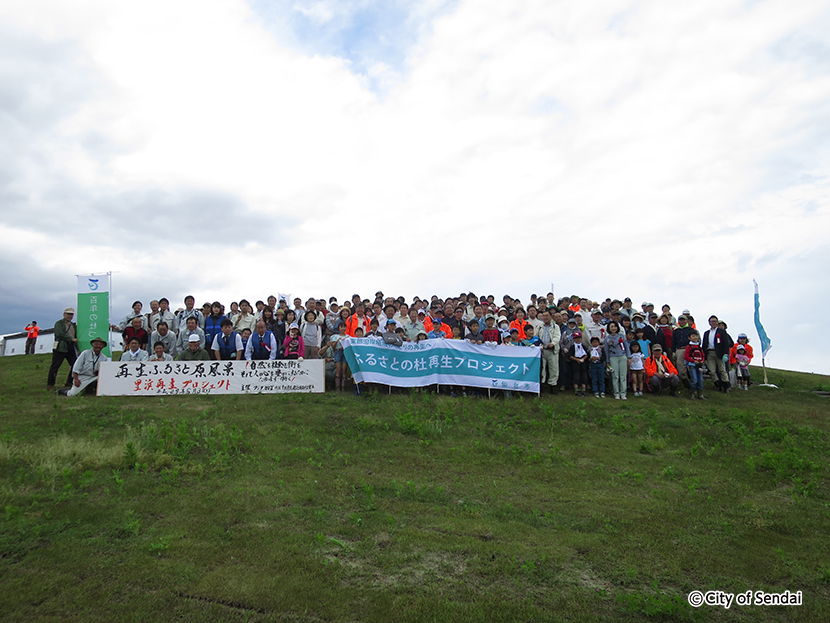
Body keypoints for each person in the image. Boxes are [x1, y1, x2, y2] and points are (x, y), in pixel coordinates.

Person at [47, 308, 78, 390]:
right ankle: (50, 384)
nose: (70, 316)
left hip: (71, 346)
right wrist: (71, 339)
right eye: (68, 314)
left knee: (75, 365)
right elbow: (59, 334)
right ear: (64, 314)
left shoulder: (73, 325)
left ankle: (69, 382)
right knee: (55, 366)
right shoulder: (59, 323)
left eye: (71, 314)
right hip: (61, 346)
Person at [702, 315, 733, 393]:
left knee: (722, 370)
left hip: (719, 353)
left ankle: (726, 385)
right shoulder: (707, 333)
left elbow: (726, 343)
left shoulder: (721, 332)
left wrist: (725, 353)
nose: (714, 323)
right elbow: (704, 344)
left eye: (715, 321)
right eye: (712, 321)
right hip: (709, 352)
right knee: (712, 371)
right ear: (709, 323)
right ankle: (718, 384)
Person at [603, 321, 630, 400]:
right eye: (612, 327)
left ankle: (623, 393)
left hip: (622, 356)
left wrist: (628, 357)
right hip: (613, 358)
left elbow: (626, 347)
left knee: (623, 375)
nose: (613, 328)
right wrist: (607, 361)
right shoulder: (607, 339)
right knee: (615, 376)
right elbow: (606, 350)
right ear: (609, 328)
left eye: (615, 326)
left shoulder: (621, 336)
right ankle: (616, 393)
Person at [684, 330, 706, 399]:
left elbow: (703, 356)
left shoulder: (699, 347)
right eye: (693, 336)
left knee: (700, 380)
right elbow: (686, 357)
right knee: (694, 379)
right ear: (689, 338)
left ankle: (700, 394)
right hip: (692, 365)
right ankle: (692, 393)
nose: (695, 337)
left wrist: (702, 361)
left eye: (696, 336)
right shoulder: (689, 347)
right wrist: (693, 361)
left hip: (699, 365)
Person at [566, 330, 589, 396]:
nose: (578, 339)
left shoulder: (583, 346)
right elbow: (570, 355)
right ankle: (576, 390)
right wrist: (577, 360)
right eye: (576, 338)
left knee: (584, 377)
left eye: (579, 338)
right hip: (575, 364)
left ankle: (584, 389)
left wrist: (583, 359)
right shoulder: (573, 347)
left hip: (583, 364)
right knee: (576, 377)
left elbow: (587, 354)